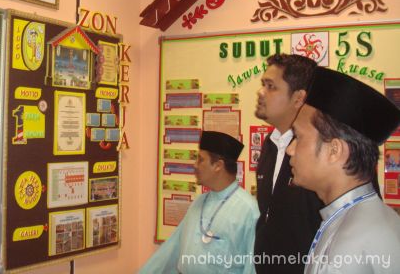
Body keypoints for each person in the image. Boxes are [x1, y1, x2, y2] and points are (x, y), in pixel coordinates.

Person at [287, 67, 400, 273]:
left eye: (298, 137)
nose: (290, 149)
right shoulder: (365, 218)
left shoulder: (348, 247)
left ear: (334, 150)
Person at [140, 131, 259, 273]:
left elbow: (252, 268)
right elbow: (171, 250)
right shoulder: (199, 202)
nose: (195, 165)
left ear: (218, 165)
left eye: (200, 160)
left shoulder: (248, 210)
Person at [254, 53, 323, 273]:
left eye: (271, 86)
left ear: (298, 98)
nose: (260, 92)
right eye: (263, 84)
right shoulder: (270, 145)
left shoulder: (318, 153)